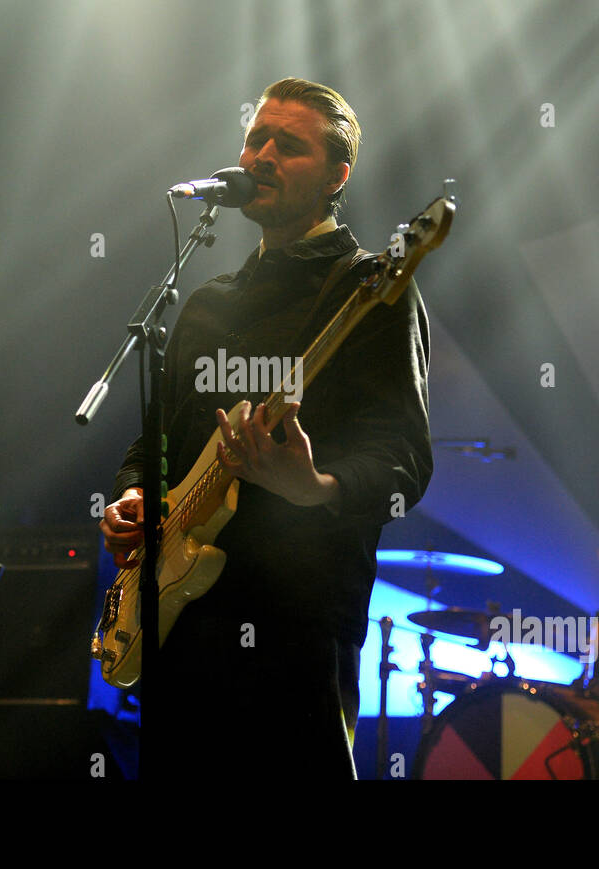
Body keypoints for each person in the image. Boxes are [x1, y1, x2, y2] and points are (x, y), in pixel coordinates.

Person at [99, 78, 432, 779]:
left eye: (290, 145)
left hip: (297, 629)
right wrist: (135, 494)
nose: (262, 155)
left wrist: (314, 486)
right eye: (256, 139)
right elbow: (154, 445)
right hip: (180, 623)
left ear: (339, 175)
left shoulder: (370, 288)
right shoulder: (205, 306)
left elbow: (404, 457)